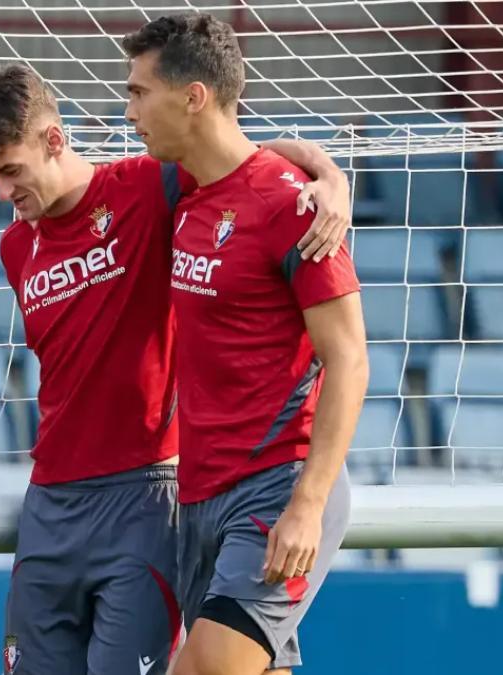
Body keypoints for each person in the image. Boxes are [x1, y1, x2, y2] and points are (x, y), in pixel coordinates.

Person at [0, 63, 352, 675]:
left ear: (54, 140)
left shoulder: (149, 187)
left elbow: (239, 158)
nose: (4, 195)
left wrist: (326, 173)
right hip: (50, 504)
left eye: (10, 172)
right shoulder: (15, 247)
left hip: (143, 497)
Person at [122, 13, 367, 675]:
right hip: (201, 495)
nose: (130, 110)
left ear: (193, 96)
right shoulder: (187, 193)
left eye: (140, 92)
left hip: (276, 487)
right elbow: (263, 150)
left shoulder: (293, 208)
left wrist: (307, 506)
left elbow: (348, 357)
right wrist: (325, 162)